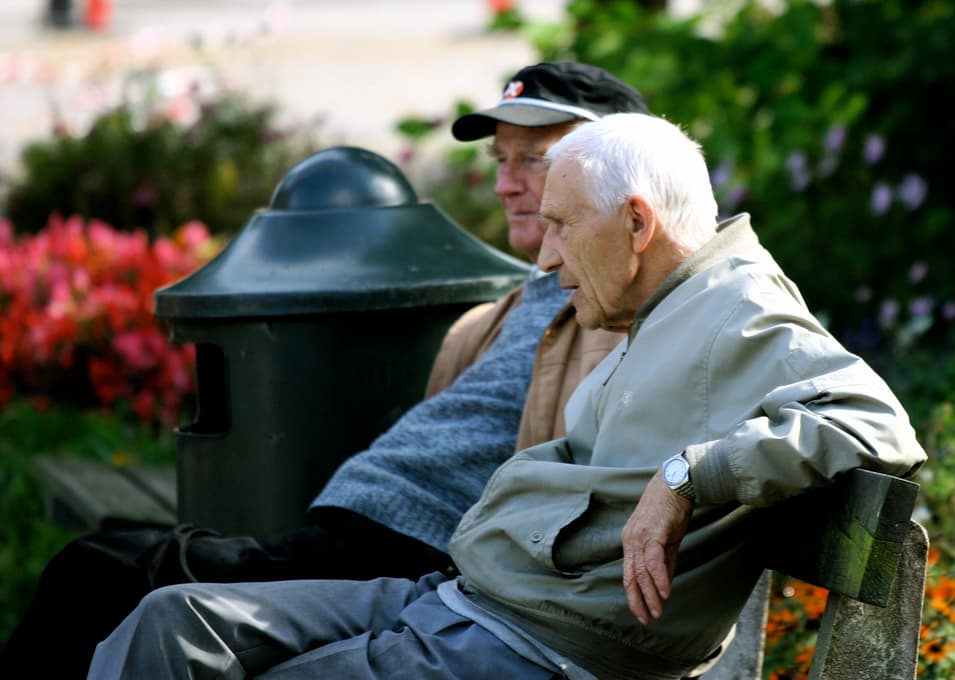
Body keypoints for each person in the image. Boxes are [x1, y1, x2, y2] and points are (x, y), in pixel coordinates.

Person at [86, 113, 927, 679]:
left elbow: (874, 421)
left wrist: (685, 477)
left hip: (534, 644)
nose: (547, 257)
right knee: (175, 620)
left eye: (563, 225)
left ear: (638, 224)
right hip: (469, 601)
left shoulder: (738, 307)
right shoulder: (665, 308)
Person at [0, 62, 649, 677]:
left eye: (534, 159)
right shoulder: (515, 301)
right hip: (345, 526)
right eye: (500, 159)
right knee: (108, 573)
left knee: (100, 572)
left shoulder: (610, 303)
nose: (507, 184)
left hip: (411, 552)